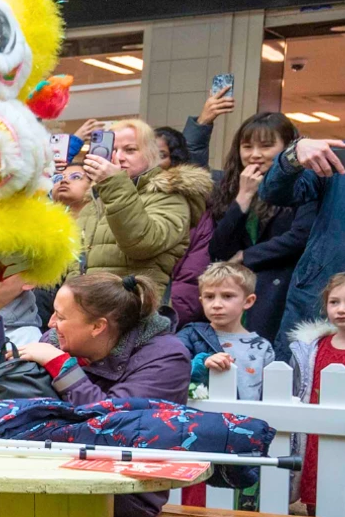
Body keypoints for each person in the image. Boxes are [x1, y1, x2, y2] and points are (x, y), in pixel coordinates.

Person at [15, 272, 190, 517]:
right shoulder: (56, 341)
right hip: (53, 474)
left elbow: (114, 424)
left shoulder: (166, 357)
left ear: (98, 326)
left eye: (61, 317)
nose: (50, 323)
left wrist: (61, 366)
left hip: (126, 490)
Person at [202, 113, 311, 344]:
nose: (254, 155)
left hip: (281, 289)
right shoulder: (231, 185)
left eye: (266, 146)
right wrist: (243, 196)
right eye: (247, 146)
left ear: (287, 148)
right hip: (237, 294)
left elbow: (300, 236)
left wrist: (246, 256)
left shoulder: (304, 182)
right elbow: (219, 248)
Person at [66, 119, 210, 290]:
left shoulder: (169, 195)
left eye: (130, 150)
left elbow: (142, 244)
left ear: (151, 154)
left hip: (135, 306)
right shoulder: (96, 199)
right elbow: (75, 262)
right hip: (86, 305)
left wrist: (113, 183)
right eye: (113, 150)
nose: (118, 157)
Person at [253, 137, 345, 355]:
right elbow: (274, 193)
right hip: (323, 297)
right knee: (300, 381)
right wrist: (294, 154)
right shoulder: (340, 155)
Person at [288, 272, 345, 517]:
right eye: (334, 302)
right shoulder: (309, 349)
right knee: (317, 502)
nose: (341, 309)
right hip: (313, 439)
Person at [177, 262, 273, 401]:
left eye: (227, 296)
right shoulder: (190, 335)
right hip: (202, 419)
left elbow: (273, 395)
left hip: (250, 420)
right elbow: (170, 372)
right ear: (201, 300)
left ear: (248, 301)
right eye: (209, 297)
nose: (216, 305)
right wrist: (202, 364)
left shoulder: (263, 347)